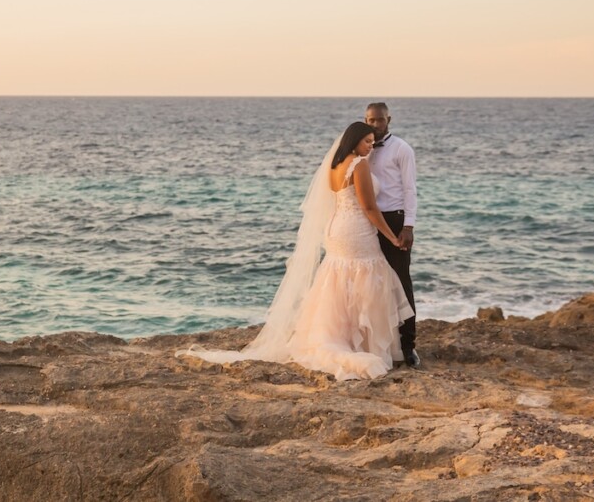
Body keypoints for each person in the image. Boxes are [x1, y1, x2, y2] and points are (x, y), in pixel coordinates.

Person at [179, 122, 414, 381]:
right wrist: (392, 237)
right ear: (355, 140)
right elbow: (369, 209)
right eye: (367, 142)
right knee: (365, 278)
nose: (371, 147)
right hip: (356, 230)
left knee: (339, 279)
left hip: (336, 229)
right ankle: (361, 345)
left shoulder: (335, 165)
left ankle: (340, 337)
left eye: (372, 142)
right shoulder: (359, 165)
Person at [364, 102, 420, 369]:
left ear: (389, 119)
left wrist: (408, 226)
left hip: (395, 220)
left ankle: (408, 346)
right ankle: (375, 341)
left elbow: (410, 190)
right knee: (370, 282)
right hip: (366, 221)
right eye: (370, 120)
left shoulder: (402, 149)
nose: (375, 125)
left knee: (401, 280)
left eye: (379, 120)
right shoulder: (361, 150)